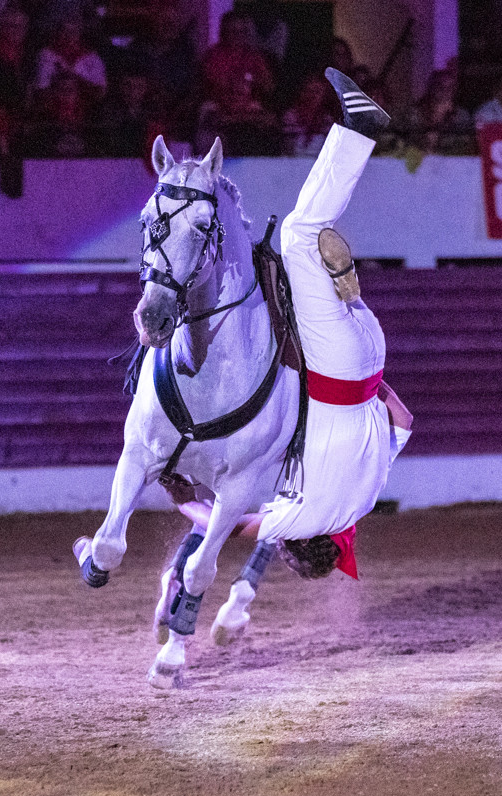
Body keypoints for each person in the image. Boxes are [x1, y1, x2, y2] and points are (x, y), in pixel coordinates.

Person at [170, 68, 413, 584]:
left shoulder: (364, 502)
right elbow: (231, 524)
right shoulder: (298, 521)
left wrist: (368, 379)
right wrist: (181, 499)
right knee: (300, 233)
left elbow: (404, 417)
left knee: (307, 287)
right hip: (337, 372)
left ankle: (344, 288)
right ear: (300, 548)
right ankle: (360, 130)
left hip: (370, 358)